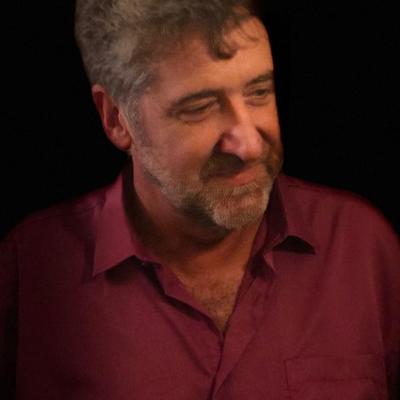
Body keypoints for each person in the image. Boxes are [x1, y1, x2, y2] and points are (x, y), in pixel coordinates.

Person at [1, 0, 399, 398]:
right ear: (116, 119)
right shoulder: (30, 268)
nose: (247, 144)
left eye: (259, 92)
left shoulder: (362, 246)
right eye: (200, 108)